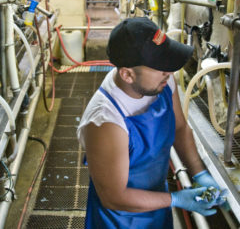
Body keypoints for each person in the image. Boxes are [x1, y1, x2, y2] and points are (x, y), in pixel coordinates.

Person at [77, 17, 226, 229]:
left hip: (157, 205)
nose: (169, 72)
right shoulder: (105, 121)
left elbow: (180, 128)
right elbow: (114, 197)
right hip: (120, 220)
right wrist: (176, 200)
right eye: (160, 66)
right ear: (127, 74)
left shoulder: (161, 81)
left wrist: (199, 172)